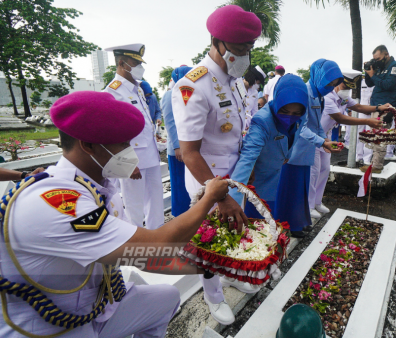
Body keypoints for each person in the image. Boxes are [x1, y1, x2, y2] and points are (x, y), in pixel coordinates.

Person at [0, 91, 230, 337]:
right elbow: (158, 248)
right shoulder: (57, 203)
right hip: (47, 324)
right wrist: (209, 197)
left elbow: (139, 256)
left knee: (166, 298)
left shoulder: (95, 186)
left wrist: (217, 266)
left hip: (95, 305)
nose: (130, 151)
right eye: (122, 144)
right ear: (87, 145)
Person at [171, 5, 263, 324]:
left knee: (234, 231)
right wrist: (219, 196)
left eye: (249, 48)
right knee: (209, 240)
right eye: (240, 49)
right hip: (207, 181)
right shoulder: (192, 85)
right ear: (217, 42)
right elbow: (189, 152)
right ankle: (213, 297)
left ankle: (232, 274)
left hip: (233, 178)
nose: (245, 55)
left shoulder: (233, 79)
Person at [230, 74, 336, 219]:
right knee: (257, 221)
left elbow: (298, 131)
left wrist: (320, 142)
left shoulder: (301, 114)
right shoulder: (262, 121)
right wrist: (232, 201)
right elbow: (247, 158)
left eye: (295, 113)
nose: (290, 117)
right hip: (260, 179)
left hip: (279, 173)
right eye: (285, 111)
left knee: (273, 217)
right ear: (278, 100)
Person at [274, 59, 342, 238]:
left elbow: (317, 125)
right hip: (295, 149)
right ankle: (286, 223)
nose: (330, 87)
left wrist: (325, 140)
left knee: (303, 188)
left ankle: (297, 222)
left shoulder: (319, 94)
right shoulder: (304, 93)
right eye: (329, 83)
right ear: (318, 76)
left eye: (333, 84)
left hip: (307, 150)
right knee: (290, 188)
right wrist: (321, 142)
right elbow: (300, 127)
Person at [103, 44, 164, 230]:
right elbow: (110, 134)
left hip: (150, 155)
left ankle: (158, 241)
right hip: (133, 160)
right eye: (135, 62)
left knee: (156, 203)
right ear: (122, 63)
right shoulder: (112, 92)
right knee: (134, 207)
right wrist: (126, 162)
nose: (140, 67)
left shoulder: (137, 88)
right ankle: (135, 246)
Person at [309, 69, 386, 217]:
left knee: (324, 170)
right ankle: (308, 205)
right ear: (337, 83)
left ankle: (317, 202)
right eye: (345, 87)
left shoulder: (342, 98)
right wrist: (368, 121)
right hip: (313, 138)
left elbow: (358, 107)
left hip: (326, 138)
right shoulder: (328, 97)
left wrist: (378, 108)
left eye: (351, 88)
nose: (347, 91)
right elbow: (340, 118)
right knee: (313, 172)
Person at [363, 45, 396, 173]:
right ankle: (374, 164)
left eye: (378, 58)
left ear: (386, 54)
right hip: (376, 106)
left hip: (385, 108)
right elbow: (370, 83)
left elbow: (388, 85)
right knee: (375, 137)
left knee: (379, 137)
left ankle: (377, 166)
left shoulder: (395, 66)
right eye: (375, 59)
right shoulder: (380, 67)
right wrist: (368, 71)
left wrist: (373, 74)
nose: (377, 61)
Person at [160, 66, 193, 217]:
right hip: (177, 150)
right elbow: (170, 122)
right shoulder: (169, 94)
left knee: (190, 184)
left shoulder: (189, 92)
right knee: (179, 184)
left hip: (191, 148)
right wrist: (177, 147)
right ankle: (179, 215)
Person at [356, 77, 375, 164]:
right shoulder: (360, 82)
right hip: (360, 111)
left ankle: (367, 158)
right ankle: (358, 156)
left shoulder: (377, 82)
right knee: (359, 134)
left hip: (373, 111)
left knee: (370, 135)